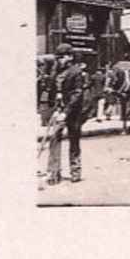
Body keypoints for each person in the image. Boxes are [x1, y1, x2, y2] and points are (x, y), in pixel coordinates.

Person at [45, 45, 90, 184]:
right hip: (59, 110)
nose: (59, 60)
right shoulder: (56, 72)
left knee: (74, 141)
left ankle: (75, 171)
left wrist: (65, 112)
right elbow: (51, 90)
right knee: (54, 139)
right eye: (58, 57)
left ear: (70, 57)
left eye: (62, 57)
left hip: (74, 112)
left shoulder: (76, 72)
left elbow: (77, 94)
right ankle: (54, 172)